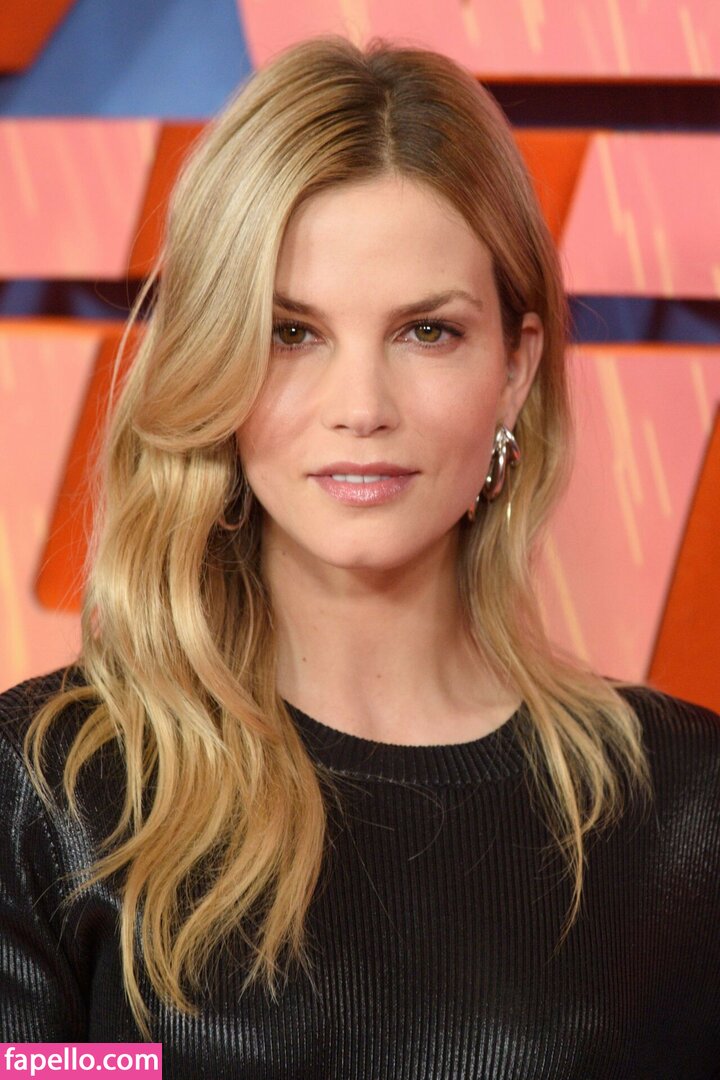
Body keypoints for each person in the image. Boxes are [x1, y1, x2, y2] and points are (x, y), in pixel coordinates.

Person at [1, 35, 718, 1079]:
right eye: (291, 332)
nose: (362, 409)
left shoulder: (687, 806)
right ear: (212, 360)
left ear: (516, 369)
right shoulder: (48, 787)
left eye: (427, 333)